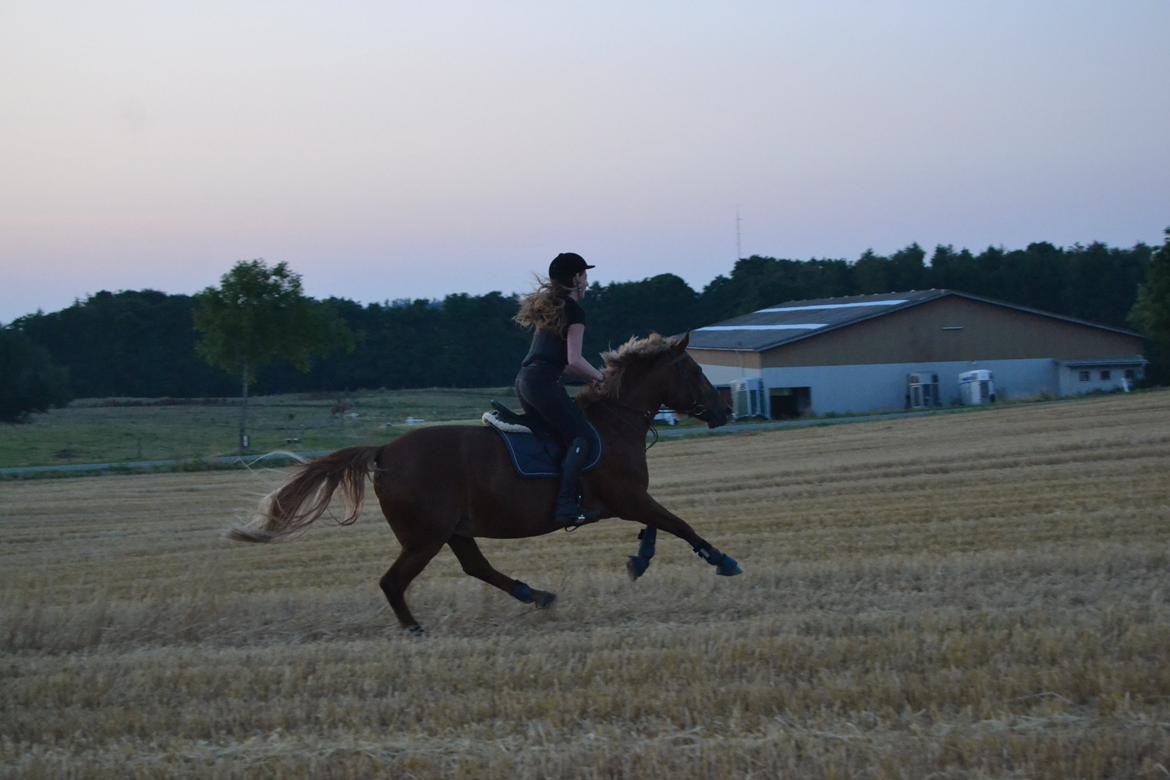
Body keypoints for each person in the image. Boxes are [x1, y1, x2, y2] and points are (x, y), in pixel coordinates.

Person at [513, 252, 605, 527]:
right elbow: (575, 360)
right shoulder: (574, 310)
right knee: (582, 437)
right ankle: (566, 507)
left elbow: (563, 363)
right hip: (542, 384)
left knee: (557, 437)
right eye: (585, 276)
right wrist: (601, 378)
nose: (587, 282)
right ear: (576, 278)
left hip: (524, 381)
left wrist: (589, 378)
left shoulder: (552, 308)